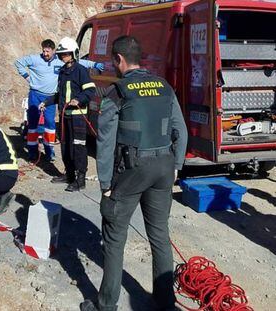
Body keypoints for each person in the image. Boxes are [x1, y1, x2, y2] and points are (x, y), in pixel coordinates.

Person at [80, 36, 188, 311]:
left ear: (118, 59)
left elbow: (105, 140)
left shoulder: (118, 91)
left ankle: (106, 305)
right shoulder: (164, 87)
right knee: (160, 235)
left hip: (131, 170)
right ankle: (165, 303)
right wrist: (176, 166)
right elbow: (181, 131)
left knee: (115, 239)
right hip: (164, 167)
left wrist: (105, 183)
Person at [15, 39, 103, 162]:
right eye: (43, 51)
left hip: (51, 97)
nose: (45, 53)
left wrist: (94, 64)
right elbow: (18, 62)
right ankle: (32, 152)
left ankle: (49, 151)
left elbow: (78, 61)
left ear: (53, 51)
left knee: (50, 125)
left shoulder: (60, 60)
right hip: (35, 95)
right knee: (33, 125)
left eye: (48, 51)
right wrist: (28, 78)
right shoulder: (34, 59)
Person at [40, 37, 96, 192]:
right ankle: (69, 175)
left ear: (73, 54)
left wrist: (78, 99)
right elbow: (60, 95)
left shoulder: (81, 71)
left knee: (78, 147)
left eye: (66, 54)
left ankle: (80, 179)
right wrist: (47, 102)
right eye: (61, 54)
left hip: (78, 116)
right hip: (65, 116)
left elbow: (90, 90)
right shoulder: (63, 72)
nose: (63, 57)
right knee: (65, 146)